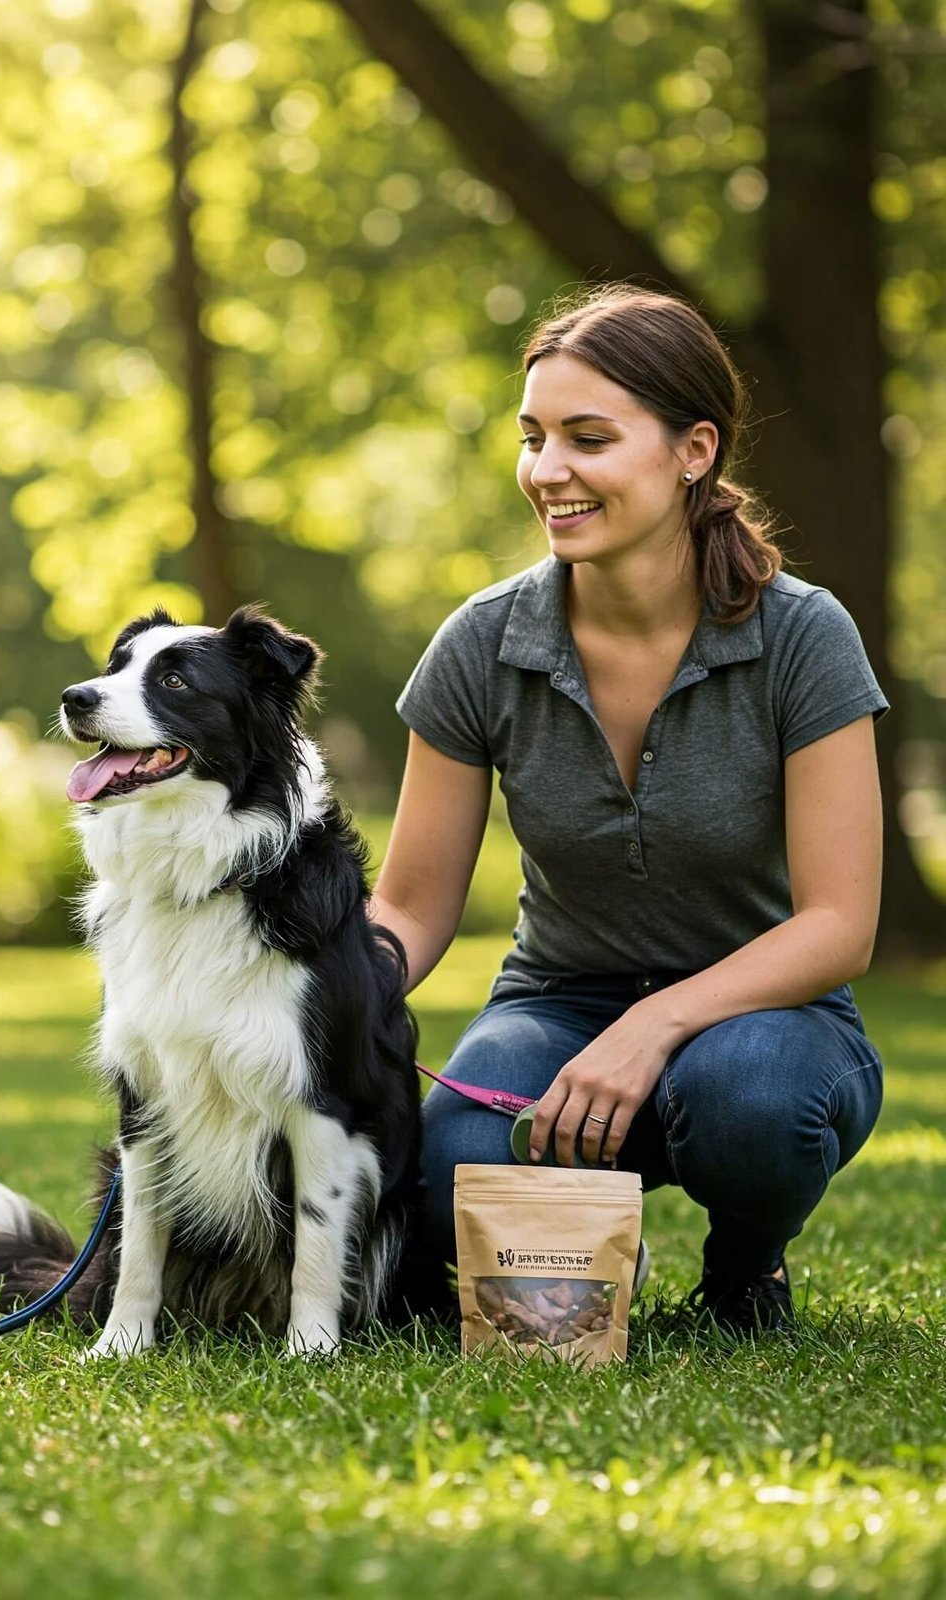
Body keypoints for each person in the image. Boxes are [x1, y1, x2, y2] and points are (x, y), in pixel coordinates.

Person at [368, 284, 887, 1335]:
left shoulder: (803, 635)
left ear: (694, 450)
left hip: (765, 1019)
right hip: (557, 1002)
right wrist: (307, 990)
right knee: (455, 1156)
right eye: (533, 438)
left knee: (753, 1102)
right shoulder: (481, 643)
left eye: (588, 438)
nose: (546, 470)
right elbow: (411, 908)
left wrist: (654, 1023)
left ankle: (744, 1269)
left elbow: (840, 924)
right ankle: (594, 1244)